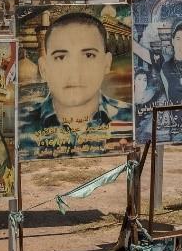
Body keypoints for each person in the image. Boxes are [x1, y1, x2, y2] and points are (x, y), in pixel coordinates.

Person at [21, 12, 132, 157]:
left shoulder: (128, 118)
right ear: (43, 69)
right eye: (60, 57)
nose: (75, 71)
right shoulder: (22, 124)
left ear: (106, 64)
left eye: (88, 55)